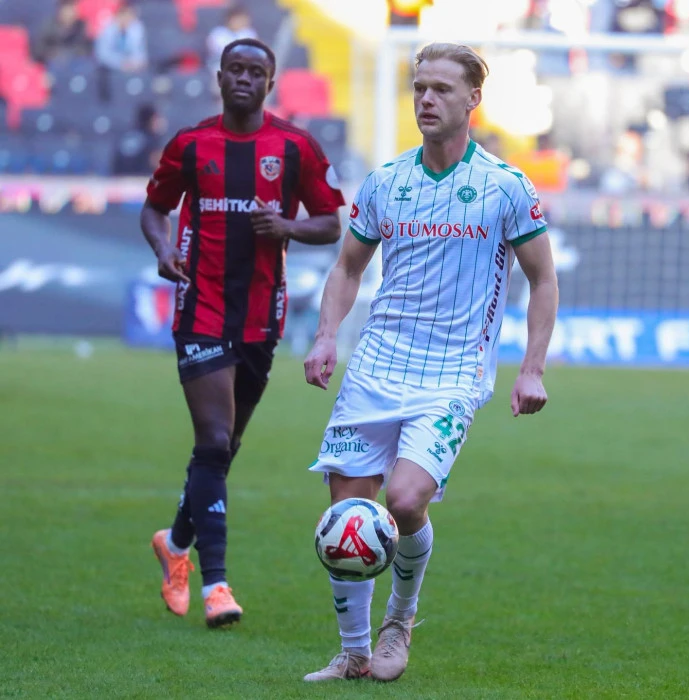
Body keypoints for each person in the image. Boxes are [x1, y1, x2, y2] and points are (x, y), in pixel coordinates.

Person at [303, 42, 558, 681]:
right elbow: (348, 267)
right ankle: (354, 652)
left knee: (406, 498)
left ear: (474, 99)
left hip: (452, 374)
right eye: (420, 87)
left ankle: (399, 621)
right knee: (347, 515)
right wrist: (327, 336)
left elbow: (543, 279)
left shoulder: (505, 186)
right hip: (375, 365)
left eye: (442, 89)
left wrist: (532, 368)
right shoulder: (387, 181)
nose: (426, 99)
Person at [141, 38, 344, 628]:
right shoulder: (190, 144)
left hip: (261, 316)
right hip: (200, 307)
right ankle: (217, 586)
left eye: (256, 72)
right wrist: (162, 249)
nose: (245, 79)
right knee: (212, 440)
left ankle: (175, 544)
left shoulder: (295, 147)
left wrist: (285, 226)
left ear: (270, 83)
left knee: (223, 449)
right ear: (220, 76)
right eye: (236, 69)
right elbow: (154, 208)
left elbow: (331, 222)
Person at [33, 0, 92, 66]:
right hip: (51, 65)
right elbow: (38, 51)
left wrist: (69, 54)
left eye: (73, 9)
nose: (70, 13)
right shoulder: (49, 26)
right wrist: (55, 54)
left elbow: (86, 50)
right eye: (67, 9)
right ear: (60, 10)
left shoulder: (82, 26)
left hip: (75, 65)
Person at [94, 1, 148, 74]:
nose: (127, 19)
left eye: (130, 15)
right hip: (108, 68)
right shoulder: (107, 27)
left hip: (130, 67)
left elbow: (140, 52)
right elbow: (102, 54)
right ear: (118, 15)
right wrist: (121, 63)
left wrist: (134, 62)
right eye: (124, 15)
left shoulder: (137, 28)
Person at [206, 4, 258, 75]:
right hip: (219, 64)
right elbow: (217, 53)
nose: (242, 22)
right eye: (239, 20)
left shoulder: (249, 33)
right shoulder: (218, 33)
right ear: (230, 19)